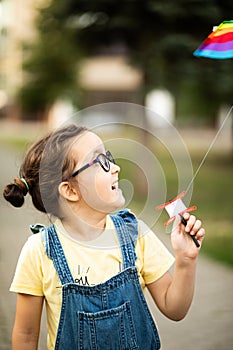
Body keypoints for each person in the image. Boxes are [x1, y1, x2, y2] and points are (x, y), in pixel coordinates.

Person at [3, 124, 205, 350]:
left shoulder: (135, 234)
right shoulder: (39, 250)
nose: (116, 167)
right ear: (70, 191)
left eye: (109, 156)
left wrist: (186, 261)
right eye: (100, 162)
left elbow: (174, 309)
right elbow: (26, 334)